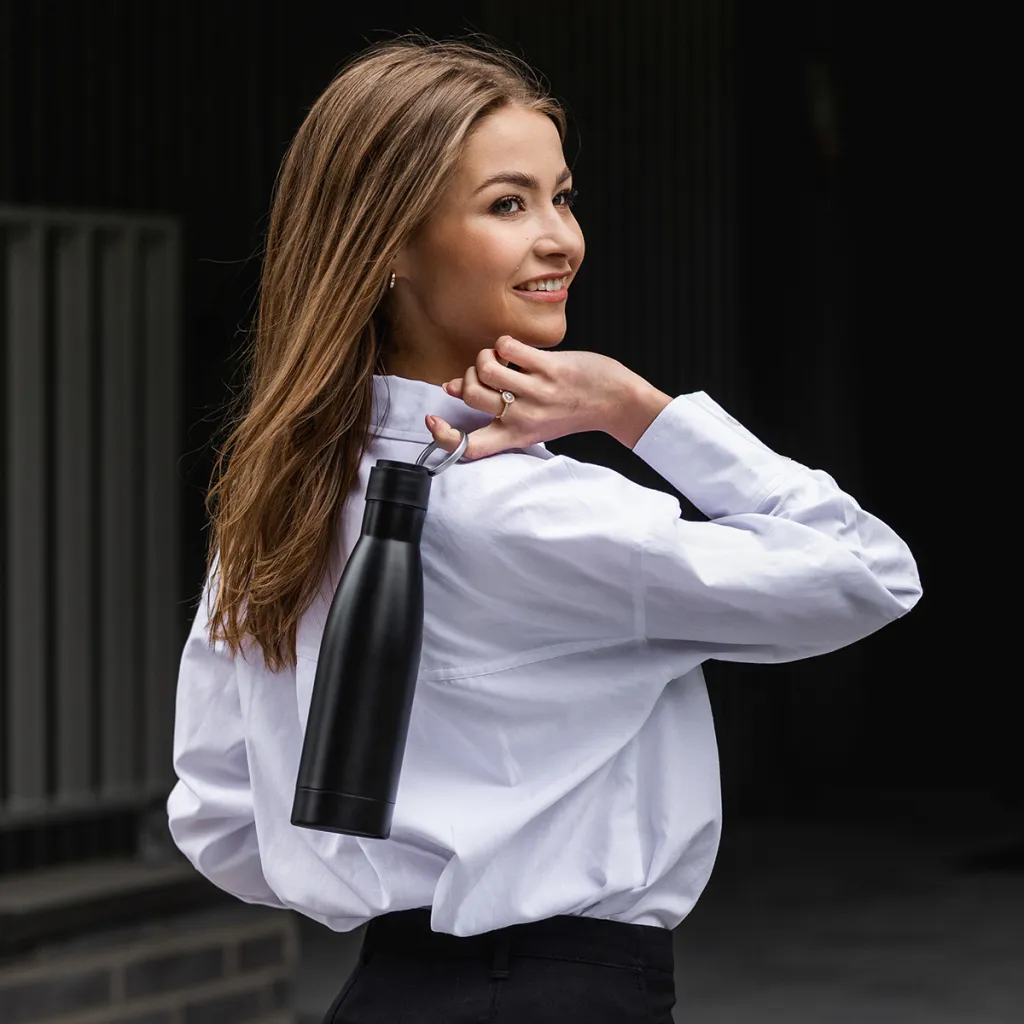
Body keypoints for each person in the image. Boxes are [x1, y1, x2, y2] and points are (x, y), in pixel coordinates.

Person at [166, 36, 922, 1024]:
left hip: (385, 992)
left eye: (561, 197)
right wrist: (639, 410)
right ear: (389, 243)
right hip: (559, 994)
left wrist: (401, 879)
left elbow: (218, 813)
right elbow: (868, 573)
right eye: (507, 204)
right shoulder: (541, 513)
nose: (561, 237)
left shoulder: (283, 495)